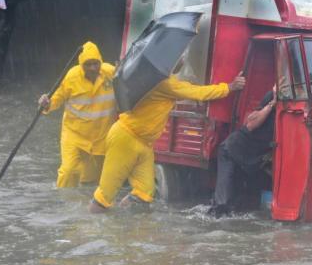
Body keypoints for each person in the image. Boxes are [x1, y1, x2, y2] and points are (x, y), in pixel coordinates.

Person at [88, 71, 246, 213]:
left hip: (144, 143)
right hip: (125, 138)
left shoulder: (154, 79)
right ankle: (91, 229)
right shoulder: (164, 84)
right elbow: (196, 92)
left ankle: (123, 230)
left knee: (144, 195)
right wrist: (229, 87)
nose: (182, 59)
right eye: (179, 57)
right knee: (104, 196)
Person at [39, 41, 116, 188]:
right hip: (74, 135)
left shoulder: (111, 73)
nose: (93, 68)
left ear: (101, 61)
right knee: (68, 172)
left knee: (90, 182)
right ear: (81, 65)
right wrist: (46, 103)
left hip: (100, 138)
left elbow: (127, 86)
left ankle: (82, 209)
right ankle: (64, 205)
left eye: (96, 63)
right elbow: (56, 98)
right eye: (88, 64)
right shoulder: (72, 77)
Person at [208, 86, 276, 218]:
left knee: (240, 196)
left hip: (250, 154)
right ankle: (217, 215)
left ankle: (229, 213)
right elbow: (250, 123)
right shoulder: (271, 96)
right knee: (224, 197)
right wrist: (271, 105)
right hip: (232, 147)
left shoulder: (295, 101)